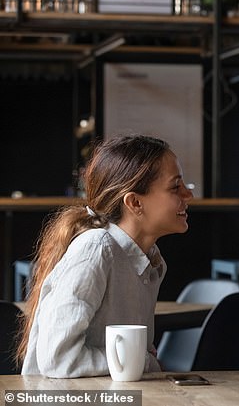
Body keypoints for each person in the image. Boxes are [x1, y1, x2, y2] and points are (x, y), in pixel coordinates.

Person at [17, 134, 194, 378]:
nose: (188, 195)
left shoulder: (151, 260)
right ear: (134, 203)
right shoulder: (95, 249)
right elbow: (58, 359)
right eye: (176, 186)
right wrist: (141, 361)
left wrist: (142, 360)